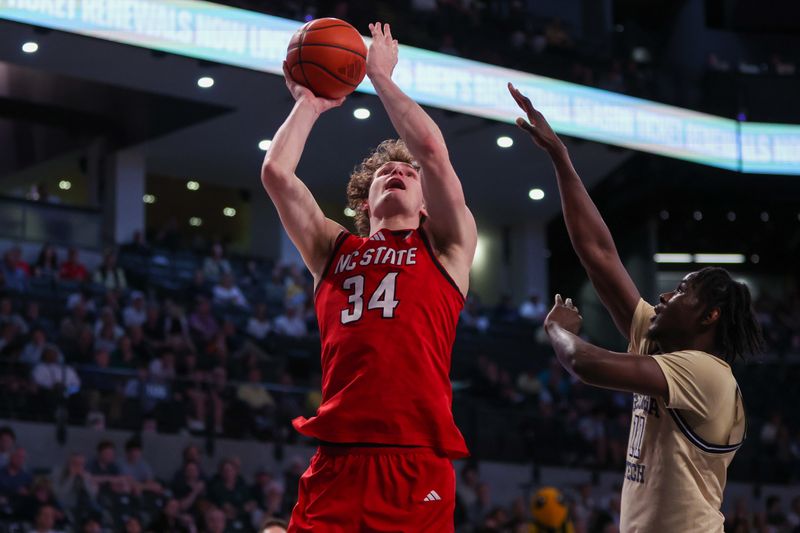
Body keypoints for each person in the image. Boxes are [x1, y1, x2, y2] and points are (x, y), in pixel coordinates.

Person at [508, 83, 763, 532]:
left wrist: (556, 329)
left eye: (681, 291)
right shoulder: (658, 340)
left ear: (710, 316)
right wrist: (562, 160)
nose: (664, 296)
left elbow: (586, 363)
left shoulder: (707, 374)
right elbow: (599, 254)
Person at [261, 22, 477, 531]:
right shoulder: (333, 249)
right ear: (363, 199)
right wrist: (310, 105)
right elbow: (276, 174)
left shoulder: (446, 245)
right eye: (385, 172)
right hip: (338, 455)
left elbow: (430, 150)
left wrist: (378, 75)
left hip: (415, 456)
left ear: (426, 205)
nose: (398, 172)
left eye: (408, 174)